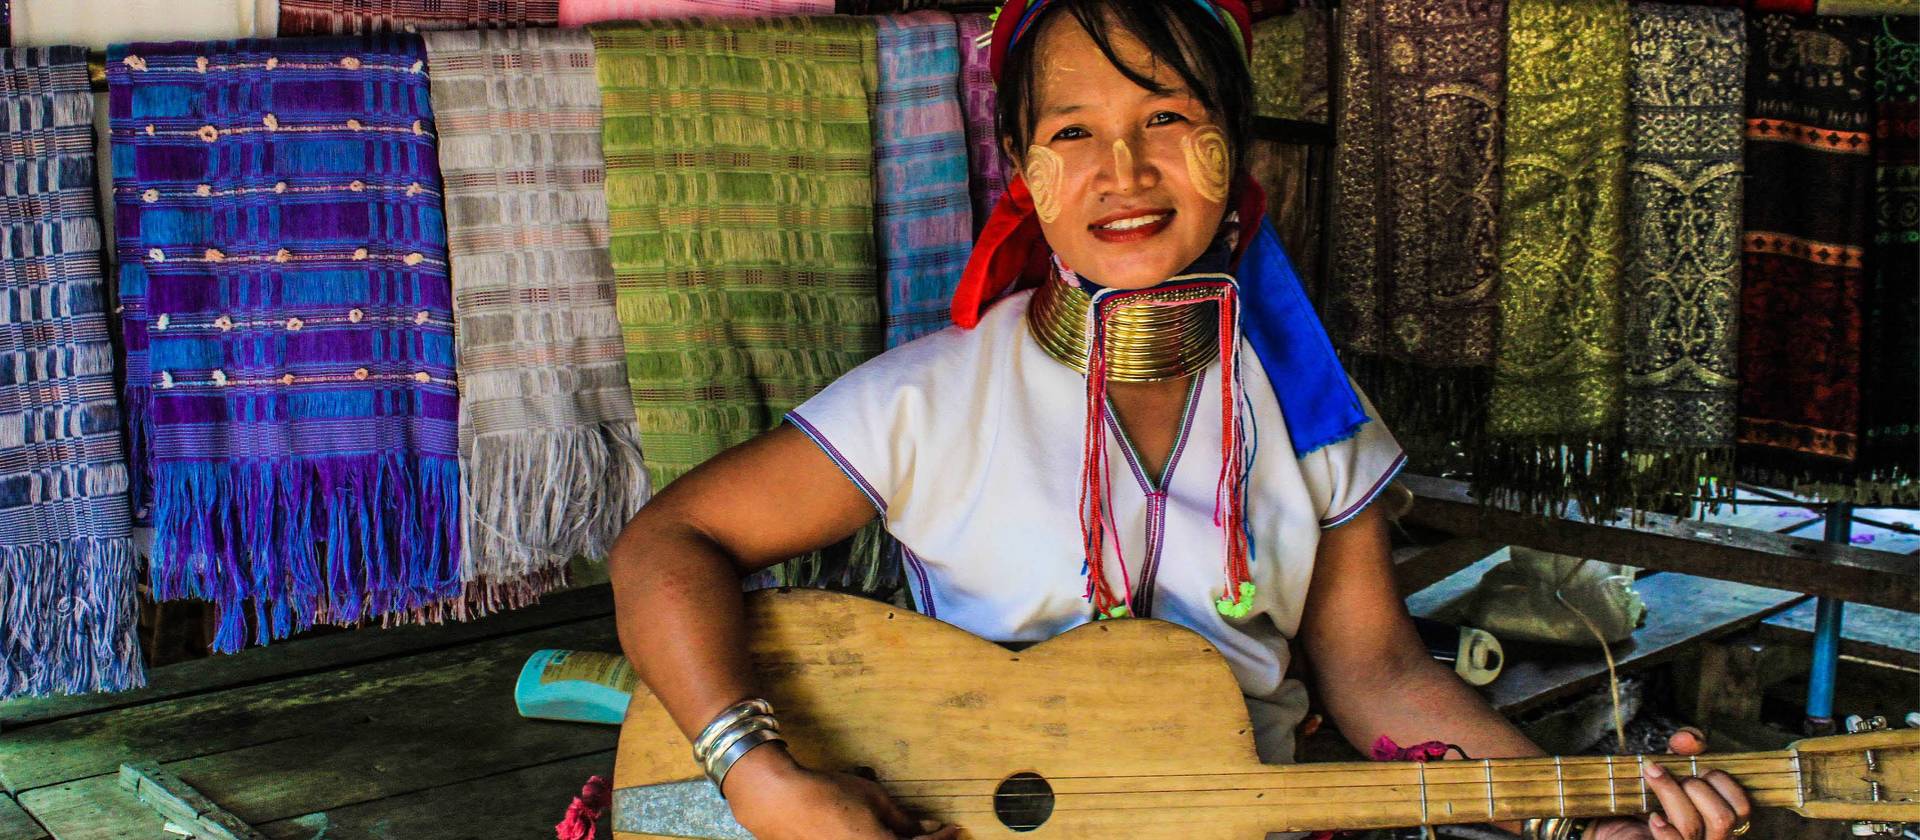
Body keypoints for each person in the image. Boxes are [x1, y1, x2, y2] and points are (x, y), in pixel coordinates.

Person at [607, 3, 1755, 839]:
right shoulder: (932, 399)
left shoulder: (1307, 414)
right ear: (1022, 167)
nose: (1124, 170)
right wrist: (754, 773)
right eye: (1071, 133)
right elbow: (667, 544)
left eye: (1166, 117)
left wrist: (1580, 821)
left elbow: (1380, 674)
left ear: (1235, 147)